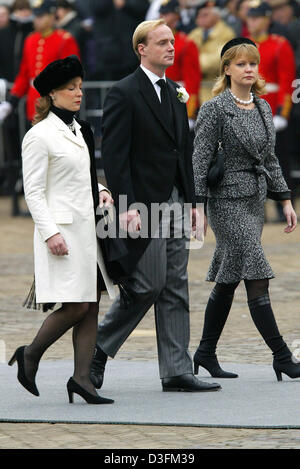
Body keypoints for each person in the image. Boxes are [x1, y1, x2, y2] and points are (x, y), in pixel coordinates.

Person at [90, 19, 221, 393]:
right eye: (162, 42)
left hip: (178, 201)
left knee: (176, 284)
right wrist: (126, 205)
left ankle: (177, 370)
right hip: (143, 205)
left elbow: (185, 153)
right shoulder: (123, 92)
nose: (171, 47)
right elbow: (114, 156)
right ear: (141, 49)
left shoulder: (177, 92)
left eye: (172, 41)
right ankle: (97, 349)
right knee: (147, 283)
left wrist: (195, 204)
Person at [8, 55, 115, 405]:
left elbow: (82, 175)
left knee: (91, 304)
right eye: (71, 89)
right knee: (76, 306)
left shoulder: (81, 129)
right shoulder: (39, 135)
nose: (78, 93)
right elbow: (34, 191)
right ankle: (30, 353)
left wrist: (99, 189)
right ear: (52, 95)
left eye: (80, 87)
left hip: (89, 233)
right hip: (63, 234)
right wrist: (50, 232)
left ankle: (82, 380)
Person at [192, 37, 299, 382]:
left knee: (228, 279)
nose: (249, 69)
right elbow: (199, 159)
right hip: (225, 201)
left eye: (253, 63)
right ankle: (282, 356)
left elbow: (270, 159)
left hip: (254, 199)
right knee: (257, 273)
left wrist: (285, 200)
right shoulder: (214, 108)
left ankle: (205, 352)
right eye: (241, 64)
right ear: (226, 70)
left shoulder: (265, 108)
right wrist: (198, 206)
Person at [246, 1, 296, 220]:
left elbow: (287, 80)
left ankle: (284, 207)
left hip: (272, 109)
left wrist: (282, 113)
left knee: (279, 162)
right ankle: (257, 208)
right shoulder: (245, 46)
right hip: (250, 107)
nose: (252, 22)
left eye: (256, 18)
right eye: (250, 18)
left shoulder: (279, 44)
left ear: (266, 20)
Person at [0, 0, 80, 125]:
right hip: (34, 104)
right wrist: (11, 102)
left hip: (57, 103)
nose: (36, 20)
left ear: (52, 16)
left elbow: (71, 76)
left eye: (41, 16)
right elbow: (24, 74)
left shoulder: (64, 39)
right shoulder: (30, 40)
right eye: (35, 16)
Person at [159, 0, 201, 124]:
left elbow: (191, 81)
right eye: (162, 14)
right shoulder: (154, 43)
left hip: (177, 98)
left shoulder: (186, 44)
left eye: (167, 14)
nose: (163, 18)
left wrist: (189, 110)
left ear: (176, 16)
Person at [188, 0, 235, 105]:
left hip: (217, 91)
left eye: (205, 15)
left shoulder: (227, 33)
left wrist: (191, 64)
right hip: (195, 91)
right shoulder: (195, 33)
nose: (200, 18)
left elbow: (218, 61)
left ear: (217, 15)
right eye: (199, 15)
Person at [89, 0, 149, 81]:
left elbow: (143, 7)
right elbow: (96, 7)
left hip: (131, 49)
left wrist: (125, 4)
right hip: (106, 50)